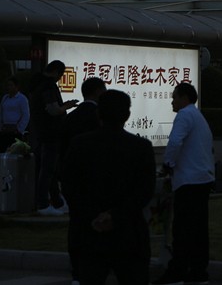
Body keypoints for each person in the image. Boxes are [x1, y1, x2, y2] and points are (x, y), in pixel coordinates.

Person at [62, 89, 155, 285]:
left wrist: (93, 215)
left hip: (88, 233)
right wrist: (115, 215)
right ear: (127, 115)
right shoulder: (141, 147)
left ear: (98, 114)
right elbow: (145, 191)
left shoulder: (79, 145)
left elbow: (70, 187)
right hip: (129, 233)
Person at [153, 82, 215, 285]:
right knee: (198, 230)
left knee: (183, 229)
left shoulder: (184, 115)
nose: (172, 101)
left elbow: (175, 142)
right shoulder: (198, 116)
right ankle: (198, 272)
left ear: (184, 98)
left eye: (174, 97)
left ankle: (176, 272)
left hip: (188, 181)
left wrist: (167, 165)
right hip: (202, 179)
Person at [60, 76, 107, 284]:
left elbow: (63, 151)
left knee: (77, 226)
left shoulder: (71, 117)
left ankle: (77, 272)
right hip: (97, 181)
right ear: (97, 92)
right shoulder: (100, 118)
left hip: (74, 182)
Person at [30, 60, 78, 215]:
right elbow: (53, 109)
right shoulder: (49, 86)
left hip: (41, 133)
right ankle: (43, 204)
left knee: (49, 170)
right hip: (51, 134)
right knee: (48, 170)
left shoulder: (37, 84)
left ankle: (57, 202)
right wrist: (67, 106)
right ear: (57, 72)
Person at [0, 76, 30, 154]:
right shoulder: (5, 98)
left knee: (15, 152)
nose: (9, 87)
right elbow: (1, 112)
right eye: (8, 85)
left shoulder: (22, 99)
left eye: (11, 85)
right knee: (0, 151)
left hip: (15, 129)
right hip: (4, 129)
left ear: (16, 87)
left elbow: (26, 115)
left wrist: (19, 129)